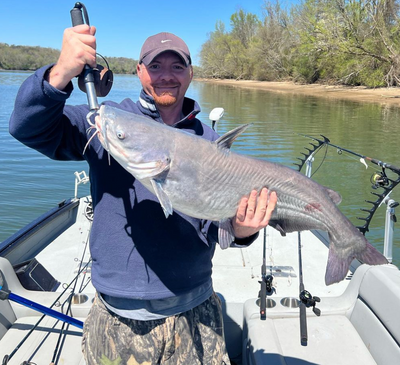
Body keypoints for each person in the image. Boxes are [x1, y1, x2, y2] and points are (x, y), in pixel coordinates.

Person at [9, 25, 277, 365]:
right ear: (138, 71)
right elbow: (27, 127)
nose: (166, 76)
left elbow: (213, 226)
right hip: (118, 317)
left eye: (177, 66)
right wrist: (60, 72)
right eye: (155, 66)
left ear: (191, 73)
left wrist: (241, 230)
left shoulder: (208, 140)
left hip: (196, 309)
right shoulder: (105, 123)